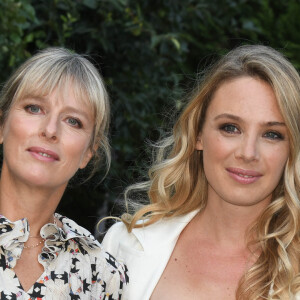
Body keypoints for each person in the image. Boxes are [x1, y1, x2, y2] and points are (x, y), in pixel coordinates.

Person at [102, 45, 300, 299]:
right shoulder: (124, 246)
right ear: (198, 134)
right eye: (230, 128)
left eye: (272, 134)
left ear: (291, 149)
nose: (248, 152)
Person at [0, 48, 128, 299]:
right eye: (34, 108)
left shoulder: (101, 274)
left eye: (73, 121)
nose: (50, 130)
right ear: (2, 125)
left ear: (88, 153)